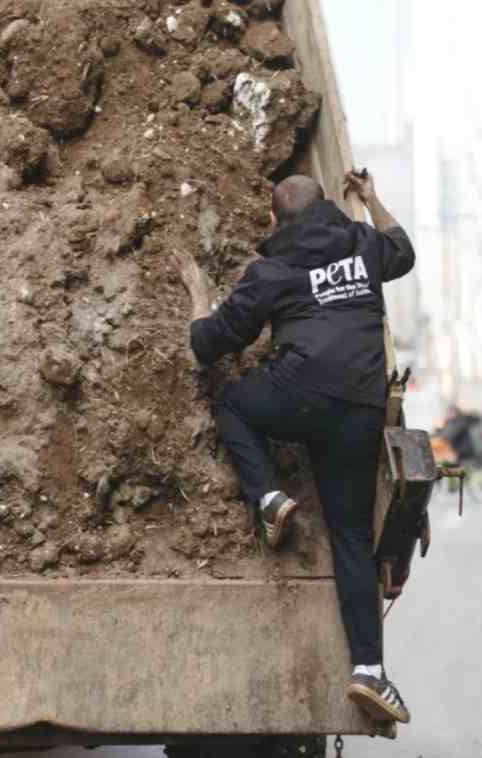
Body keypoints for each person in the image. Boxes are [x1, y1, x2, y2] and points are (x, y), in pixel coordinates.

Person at [174, 170, 416, 724]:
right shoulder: (361, 244)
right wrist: (372, 198)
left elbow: (208, 345)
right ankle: (371, 672)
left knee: (233, 403)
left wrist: (198, 295)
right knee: (352, 538)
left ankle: (268, 498)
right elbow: (402, 250)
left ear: (272, 219)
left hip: (298, 395)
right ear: (327, 207)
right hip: (358, 409)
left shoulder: (272, 270)